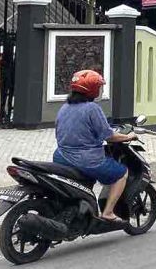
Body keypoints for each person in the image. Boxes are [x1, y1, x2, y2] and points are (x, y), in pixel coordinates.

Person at [52, 70, 137, 222]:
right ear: (91, 89)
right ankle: (108, 212)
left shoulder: (64, 107)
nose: (100, 90)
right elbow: (109, 135)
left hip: (61, 157)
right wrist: (128, 136)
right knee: (121, 173)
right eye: (98, 87)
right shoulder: (92, 108)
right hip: (86, 160)